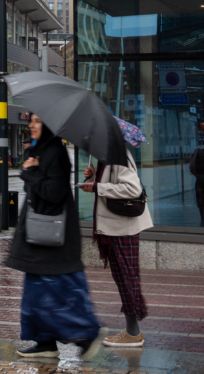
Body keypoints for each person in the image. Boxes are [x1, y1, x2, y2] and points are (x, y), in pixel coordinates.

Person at [6, 114, 102, 360]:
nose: (31, 124)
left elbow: (53, 191)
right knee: (36, 294)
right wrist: (30, 165)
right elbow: (37, 186)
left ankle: (86, 335)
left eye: (37, 120)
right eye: (31, 120)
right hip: (41, 234)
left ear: (48, 125)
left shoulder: (56, 153)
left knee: (60, 291)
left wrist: (29, 173)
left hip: (53, 235)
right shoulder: (41, 149)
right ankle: (45, 342)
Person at [82, 147, 153, 348]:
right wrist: (94, 176)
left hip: (124, 227)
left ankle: (133, 333)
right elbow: (111, 183)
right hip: (114, 228)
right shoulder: (106, 155)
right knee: (122, 279)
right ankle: (132, 331)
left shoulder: (119, 155)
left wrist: (97, 187)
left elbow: (133, 189)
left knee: (127, 278)